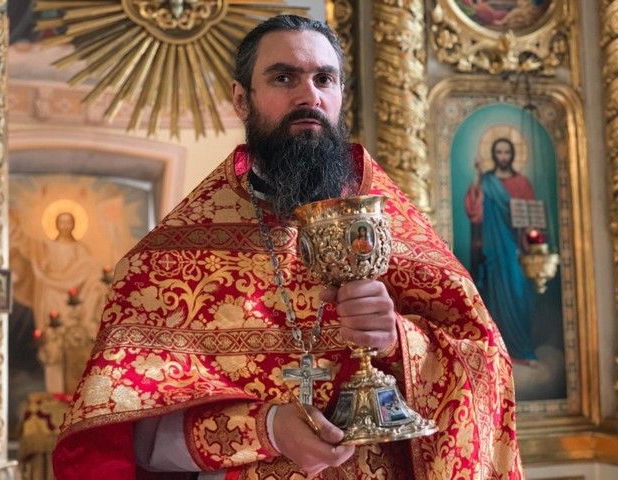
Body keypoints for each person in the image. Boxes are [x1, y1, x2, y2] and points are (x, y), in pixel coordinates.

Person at [53, 15, 523, 479]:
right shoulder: (171, 257)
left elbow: (484, 363)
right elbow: (123, 436)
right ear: (242, 98)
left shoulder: (392, 226)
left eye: (324, 79)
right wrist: (268, 429)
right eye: (284, 78)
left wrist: (398, 340)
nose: (309, 96)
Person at [10, 210, 107, 392]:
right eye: (61, 222)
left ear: (74, 225)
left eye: (68, 222)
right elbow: (28, 250)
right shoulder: (46, 247)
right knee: (52, 341)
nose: (65, 226)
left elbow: (90, 270)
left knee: (75, 340)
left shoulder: (80, 249)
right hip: (51, 296)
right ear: (55, 224)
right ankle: (53, 389)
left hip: (73, 301)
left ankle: (77, 389)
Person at [464, 137, 537, 362]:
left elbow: (532, 218)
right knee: (493, 296)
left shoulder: (522, 183)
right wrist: (478, 176)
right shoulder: (486, 181)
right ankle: (500, 354)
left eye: (507, 152)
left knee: (518, 294)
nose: (503, 156)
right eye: (499, 152)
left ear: (512, 155)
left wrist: (529, 230)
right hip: (493, 251)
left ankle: (522, 349)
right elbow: (474, 209)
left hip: (514, 249)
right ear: (494, 155)